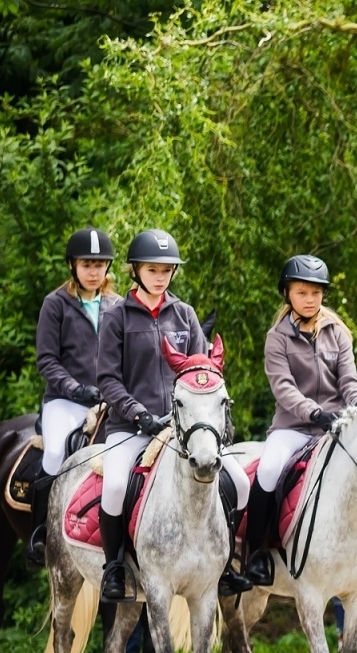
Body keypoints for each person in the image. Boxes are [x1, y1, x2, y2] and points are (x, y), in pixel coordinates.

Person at [95, 229, 250, 602]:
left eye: (166, 270)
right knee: (114, 487)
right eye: (153, 269)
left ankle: (225, 564)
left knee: (241, 482)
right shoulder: (116, 317)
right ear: (135, 270)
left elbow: (202, 373)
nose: (160, 276)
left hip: (183, 429)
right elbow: (107, 379)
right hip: (130, 427)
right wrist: (138, 414)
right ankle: (114, 567)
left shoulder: (185, 315)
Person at [244, 254, 357, 586]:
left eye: (316, 292)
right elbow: (283, 387)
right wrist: (314, 412)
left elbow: (349, 379)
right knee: (268, 469)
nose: (310, 299)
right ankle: (255, 553)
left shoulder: (337, 333)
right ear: (287, 293)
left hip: (336, 426)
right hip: (293, 428)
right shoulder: (277, 337)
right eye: (302, 292)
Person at [26, 228, 122, 566]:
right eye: (86, 265)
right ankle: (41, 533)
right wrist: (75, 388)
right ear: (73, 266)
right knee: (55, 453)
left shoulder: (118, 306)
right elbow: (47, 360)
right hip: (65, 401)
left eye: (99, 265)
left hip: (109, 401)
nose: (94, 272)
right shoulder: (56, 304)